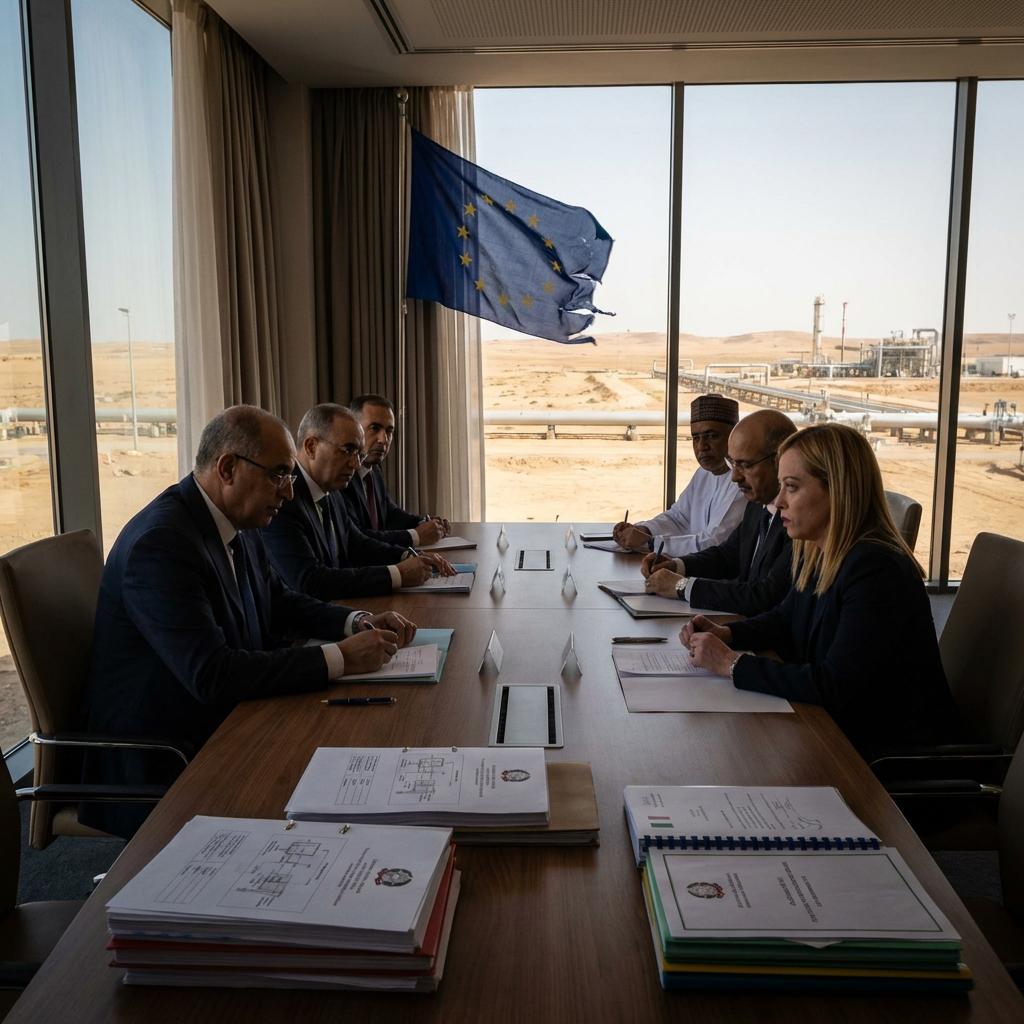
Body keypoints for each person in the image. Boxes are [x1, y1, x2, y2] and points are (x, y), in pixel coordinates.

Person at [80, 406, 417, 839]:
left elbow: (280, 600)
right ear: (227, 469)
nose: (290, 492)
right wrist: (340, 658)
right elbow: (213, 674)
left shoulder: (238, 518)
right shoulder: (162, 543)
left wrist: (356, 621)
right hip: (167, 755)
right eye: (279, 474)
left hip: (231, 720)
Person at [679, 422, 961, 758]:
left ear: (837, 491)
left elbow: (835, 684)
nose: (779, 501)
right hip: (834, 733)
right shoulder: (818, 550)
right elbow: (784, 618)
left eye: (792, 487)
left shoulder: (876, 569)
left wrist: (731, 664)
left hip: (883, 759)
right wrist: (727, 633)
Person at [263, 403, 456, 600]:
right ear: (311, 447)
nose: (356, 464)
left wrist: (407, 555)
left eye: (358, 453)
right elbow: (310, 581)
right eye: (347, 450)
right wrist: (397, 575)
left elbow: (356, 544)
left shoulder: (332, 489)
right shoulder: (283, 499)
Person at [639, 410, 797, 615]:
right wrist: (677, 566)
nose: (735, 477)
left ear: (780, 460)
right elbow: (728, 556)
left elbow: (766, 596)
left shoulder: (798, 520)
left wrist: (682, 586)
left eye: (745, 465)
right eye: (733, 463)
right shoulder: (758, 505)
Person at [611, 394, 745, 557]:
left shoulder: (743, 483)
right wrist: (644, 530)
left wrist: (649, 542)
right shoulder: (703, 473)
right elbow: (678, 518)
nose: (701, 447)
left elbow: (713, 542)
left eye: (711, 436)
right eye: (696, 438)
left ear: (733, 437)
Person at [344, 394, 450, 546]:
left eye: (389, 431)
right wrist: (415, 536)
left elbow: (389, 512)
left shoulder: (374, 468)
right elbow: (357, 538)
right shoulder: (341, 475)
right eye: (374, 428)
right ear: (354, 429)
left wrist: (424, 522)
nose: (383, 440)